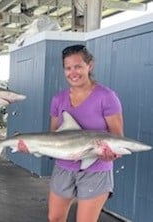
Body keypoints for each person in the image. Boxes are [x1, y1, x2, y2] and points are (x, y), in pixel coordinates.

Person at [48, 44, 124, 222]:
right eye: (68, 68)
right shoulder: (58, 99)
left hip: (95, 171)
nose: (73, 72)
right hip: (63, 167)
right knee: (54, 218)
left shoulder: (107, 97)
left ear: (90, 66)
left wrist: (109, 155)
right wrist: (31, 147)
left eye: (78, 66)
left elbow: (117, 139)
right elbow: (53, 135)